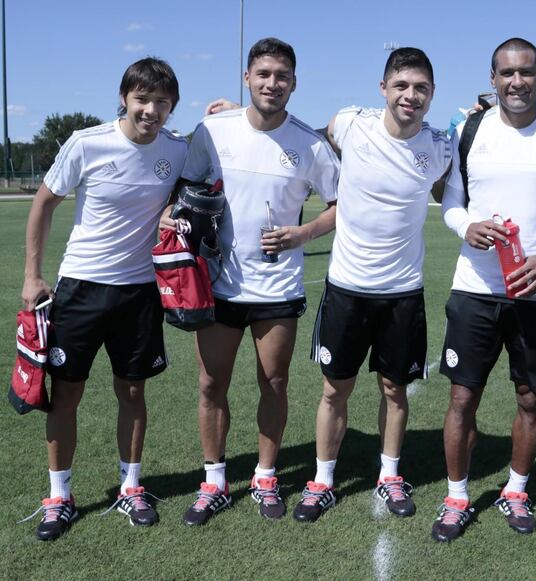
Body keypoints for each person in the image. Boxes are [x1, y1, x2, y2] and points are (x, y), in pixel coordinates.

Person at [431, 37, 536, 543]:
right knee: (463, 396)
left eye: (526, 72)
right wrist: (467, 226)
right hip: (475, 288)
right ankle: (457, 497)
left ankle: (516, 491)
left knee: (530, 397)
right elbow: (452, 202)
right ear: (493, 78)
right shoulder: (471, 131)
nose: (516, 82)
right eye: (507, 73)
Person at [20, 57, 187, 540]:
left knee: (132, 392)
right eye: (142, 99)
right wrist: (32, 276)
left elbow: (206, 162)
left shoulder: (177, 149)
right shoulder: (86, 142)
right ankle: (59, 496)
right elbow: (43, 203)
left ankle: (130, 488)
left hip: (140, 293)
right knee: (65, 394)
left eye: (161, 102)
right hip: (81, 288)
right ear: (124, 98)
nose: (151, 110)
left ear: (172, 106)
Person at [175, 38, 339, 526]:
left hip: (277, 286)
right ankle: (214, 480)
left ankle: (265, 476)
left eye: (282, 76)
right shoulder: (212, 130)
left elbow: (341, 204)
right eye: (263, 74)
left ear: (294, 82)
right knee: (211, 383)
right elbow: (184, 185)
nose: (272, 83)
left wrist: (303, 234)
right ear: (247, 78)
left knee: (274, 382)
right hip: (218, 284)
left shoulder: (310, 143)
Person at [291, 47, 453, 523]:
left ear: (432, 94)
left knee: (394, 391)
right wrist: (234, 115)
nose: (410, 95)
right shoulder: (349, 123)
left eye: (420, 88)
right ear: (383, 88)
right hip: (347, 289)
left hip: (402, 293)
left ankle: (389, 475)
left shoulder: (439, 148)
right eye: (401, 85)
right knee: (333, 391)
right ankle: (322, 479)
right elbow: (302, 133)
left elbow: (455, 189)